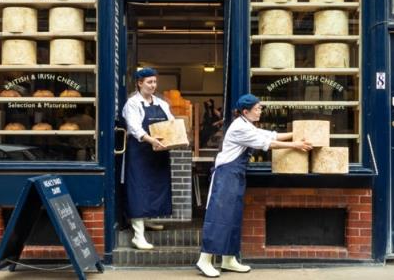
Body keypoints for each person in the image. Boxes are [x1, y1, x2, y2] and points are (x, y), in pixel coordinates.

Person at [195, 94, 313, 277]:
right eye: (257, 108)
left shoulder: (247, 125)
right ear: (245, 111)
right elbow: (268, 144)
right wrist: (296, 144)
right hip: (225, 175)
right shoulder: (240, 128)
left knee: (233, 217)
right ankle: (204, 260)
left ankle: (228, 260)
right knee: (219, 217)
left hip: (235, 175)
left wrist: (296, 134)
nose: (260, 111)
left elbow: (270, 134)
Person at [122, 67, 173, 250]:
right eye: (149, 82)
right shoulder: (132, 104)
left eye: (155, 82)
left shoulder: (161, 103)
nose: (153, 85)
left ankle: (147, 220)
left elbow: (171, 123)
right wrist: (152, 140)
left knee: (155, 187)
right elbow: (135, 128)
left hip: (158, 154)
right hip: (140, 152)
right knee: (139, 189)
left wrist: (176, 138)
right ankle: (138, 235)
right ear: (139, 83)